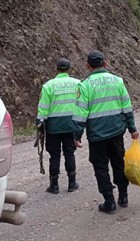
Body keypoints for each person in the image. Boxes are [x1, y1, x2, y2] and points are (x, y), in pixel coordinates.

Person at [72, 50, 139, 214]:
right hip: (117, 132)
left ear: (88, 66)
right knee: (118, 163)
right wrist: (132, 128)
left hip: (96, 135)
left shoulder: (85, 85)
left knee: (100, 167)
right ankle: (123, 197)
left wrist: (77, 135)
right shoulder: (117, 81)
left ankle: (109, 202)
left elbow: (80, 113)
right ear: (106, 63)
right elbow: (127, 108)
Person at [37, 58, 80, 194]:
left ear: (56, 69)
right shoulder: (78, 84)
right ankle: (72, 183)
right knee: (69, 152)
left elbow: (43, 108)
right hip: (71, 124)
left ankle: (54, 186)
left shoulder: (48, 86)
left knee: (54, 155)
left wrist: (39, 123)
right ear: (69, 69)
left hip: (53, 126)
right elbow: (82, 104)